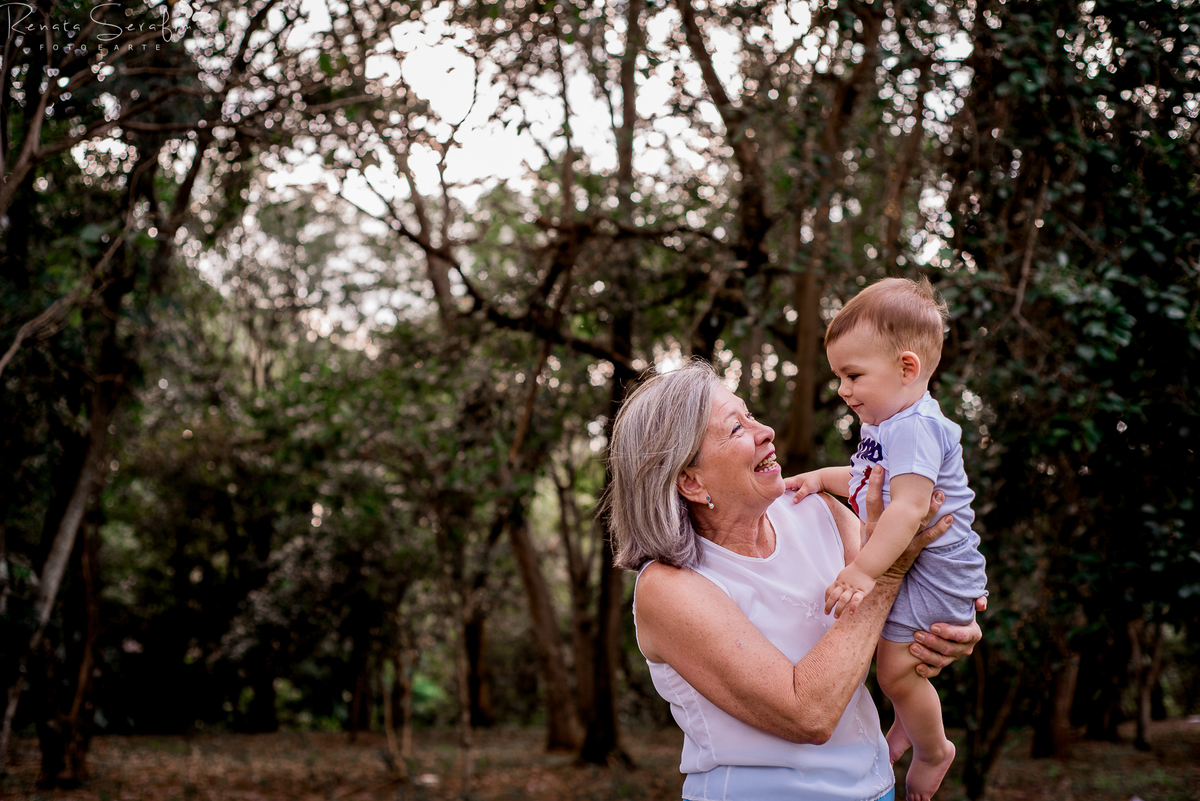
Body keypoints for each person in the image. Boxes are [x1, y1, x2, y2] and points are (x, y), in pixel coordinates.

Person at [604, 360, 983, 801]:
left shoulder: (815, 509)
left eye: (750, 414)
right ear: (690, 481)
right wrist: (889, 572)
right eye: (735, 429)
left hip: (878, 788)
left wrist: (947, 625)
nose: (764, 430)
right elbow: (808, 714)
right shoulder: (668, 588)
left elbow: (894, 617)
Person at [786, 277, 988, 801]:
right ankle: (906, 724)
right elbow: (864, 482)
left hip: (941, 568)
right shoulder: (888, 424)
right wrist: (818, 479)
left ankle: (934, 748)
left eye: (852, 375)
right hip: (928, 565)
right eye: (838, 377)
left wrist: (862, 571)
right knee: (887, 658)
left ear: (906, 367)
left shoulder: (915, 427)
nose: (842, 390)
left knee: (897, 671)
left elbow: (907, 511)